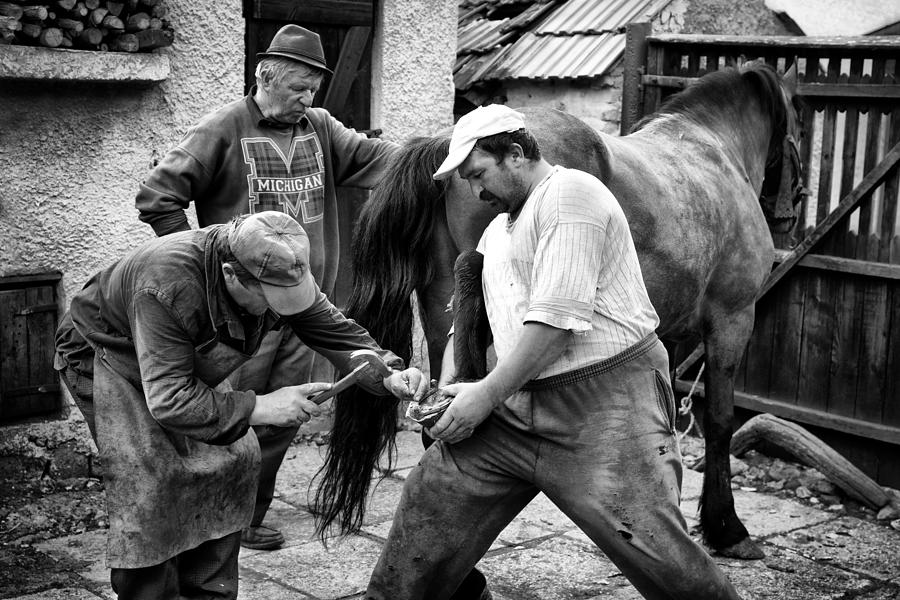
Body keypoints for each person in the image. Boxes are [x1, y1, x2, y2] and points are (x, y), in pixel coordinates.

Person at [364, 105, 742, 600]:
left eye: (479, 174)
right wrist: (454, 388)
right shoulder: (500, 228)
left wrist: (483, 397)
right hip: (517, 406)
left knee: (662, 557)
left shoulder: (570, 195)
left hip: (605, 408)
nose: (475, 191)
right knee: (433, 499)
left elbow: (555, 323)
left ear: (515, 154)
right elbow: (477, 316)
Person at [55, 211, 428, 600]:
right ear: (232, 275)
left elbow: (328, 326)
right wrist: (261, 407)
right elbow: (171, 400)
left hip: (176, 355)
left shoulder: (277, 262)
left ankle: (207, 590)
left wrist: (384, 369)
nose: (281, 311)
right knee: (153, 482)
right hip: (110, 355)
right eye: (271, 301)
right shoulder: (167, 283)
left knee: (232, 459)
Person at [134, 24, 400, 550]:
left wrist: (444, 156)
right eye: (298, 87)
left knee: (285, 417)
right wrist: (198, 271)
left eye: (313, 89)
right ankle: (214, 516)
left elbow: (385, 160)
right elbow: (157, 197)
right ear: (265, 76)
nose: (307, 98)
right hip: (243, 313)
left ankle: (249, 515)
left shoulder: (320, 127)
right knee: (239, 416)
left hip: (301, 305)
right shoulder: (223, 128)